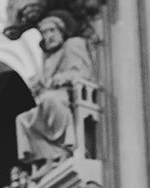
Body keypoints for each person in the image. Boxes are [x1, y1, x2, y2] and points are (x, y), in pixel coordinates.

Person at [15, 10, 95, 173]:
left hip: (68, 94)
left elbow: (84, 72)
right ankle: (48, 157)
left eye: (51, 30)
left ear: (61, 31)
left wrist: (63, 77)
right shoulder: (47, 57)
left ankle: (66, 148)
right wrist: (37, 86)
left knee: (50, 100)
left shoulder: (73, 44)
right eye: (44, 32)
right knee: (22, 119)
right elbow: (43, 83)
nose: (48, 36)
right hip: (50, 97)